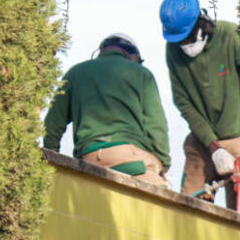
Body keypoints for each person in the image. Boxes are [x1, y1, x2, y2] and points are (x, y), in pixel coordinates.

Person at [159, 0, 240, 210]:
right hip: (203, 138)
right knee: (188, 208)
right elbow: (183, 102)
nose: (184, 45)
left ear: (201, 23)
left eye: (187, 38)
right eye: (179, 41)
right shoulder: (173, 50)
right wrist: (213, 146)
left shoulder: (233, 37)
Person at [44, 33, 172, 187]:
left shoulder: (75, 73)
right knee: (164, 195)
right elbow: (157, 127)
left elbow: (52, 125)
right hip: (128, 155)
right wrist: (164, 165)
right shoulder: (141, 74)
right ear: (132, 55)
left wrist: (51, 162)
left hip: (89, 158)